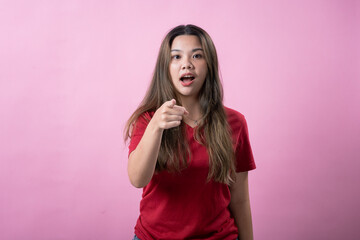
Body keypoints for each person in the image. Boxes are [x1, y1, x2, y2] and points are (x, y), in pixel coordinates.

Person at [124, 24, 256, 240]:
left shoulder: (235, 123)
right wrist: (156, 125)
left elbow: (240, 199)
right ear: (165, 67)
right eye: (176, 57)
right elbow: (137, 179)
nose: (187, 64)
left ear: (209, 64)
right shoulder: (148, 120)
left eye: (197, 56)